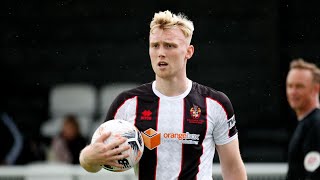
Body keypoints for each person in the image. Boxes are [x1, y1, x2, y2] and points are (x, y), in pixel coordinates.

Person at [79, 10, 247, 179]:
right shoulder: (128, 103)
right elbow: (93, 162)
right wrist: (88, 158)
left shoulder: (215, 104)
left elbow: (232, 167)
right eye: (155, 45)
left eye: (169, 45)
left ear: (189, 51)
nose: (161, 52)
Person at [286, 58, 320, 179]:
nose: (292, 92)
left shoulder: (316, 125)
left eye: (299, 86)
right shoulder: (306, 123)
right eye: (290, 86)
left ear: (316, 89)